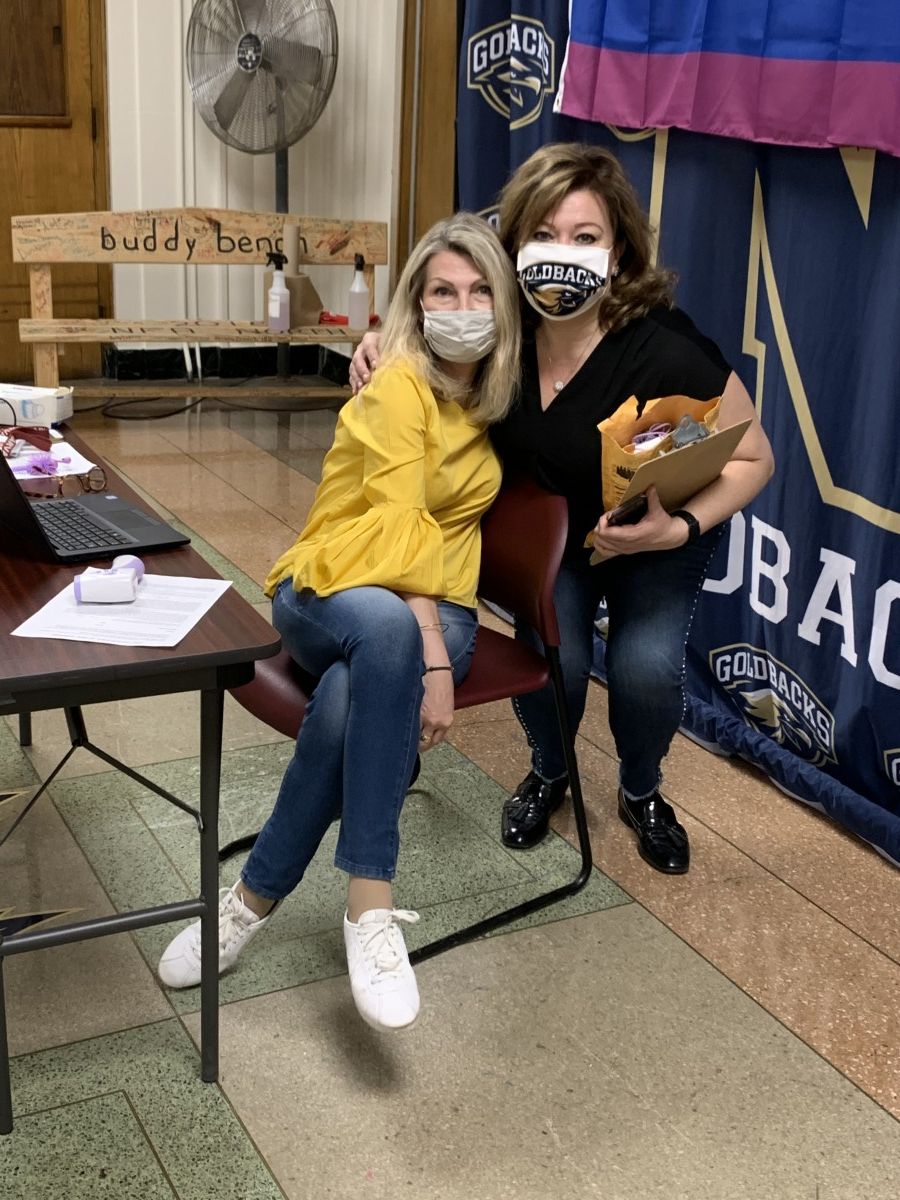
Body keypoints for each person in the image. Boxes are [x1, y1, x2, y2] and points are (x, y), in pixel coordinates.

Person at [349, 142, 774, 876]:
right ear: (513, 244)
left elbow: (754, 457)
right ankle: (550, 770)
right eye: (543, 234)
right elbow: (427, 324)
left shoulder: (666, 348)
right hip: (557, 539)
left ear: (620, 254)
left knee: (644, 670)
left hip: (656, 530)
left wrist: (677, 527)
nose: (561, 254)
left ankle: (642, 789)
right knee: (559, 663)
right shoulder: (498, 329)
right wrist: (379, 340)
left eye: (585, 238)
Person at [157, 212, 521, 1031]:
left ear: (502, 307)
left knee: (353, 696)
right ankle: (370, 905)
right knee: (387, 638)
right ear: (414, 305)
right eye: (440, 292)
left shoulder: (495, 400)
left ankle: (250, 901)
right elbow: (392, 536)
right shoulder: (397, 382)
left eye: (476, 292)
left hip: (445, 602)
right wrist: (433, 661)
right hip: (336, 580)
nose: (460, 307)